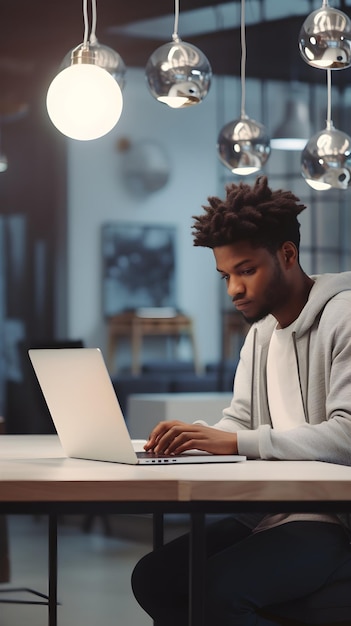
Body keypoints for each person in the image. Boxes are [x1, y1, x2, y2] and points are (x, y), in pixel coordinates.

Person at [131, 176, 351, 626]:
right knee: (153, 577)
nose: (233, 288)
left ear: (287, 255)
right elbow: (240, 420)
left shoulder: (343, 317)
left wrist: (235, 443)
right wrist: (195, 437)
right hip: (271, 511)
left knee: (216, 591)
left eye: (246, 270)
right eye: (225, 275)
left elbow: (347, 434)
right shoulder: (261, 336)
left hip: (334, 520)